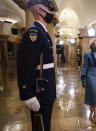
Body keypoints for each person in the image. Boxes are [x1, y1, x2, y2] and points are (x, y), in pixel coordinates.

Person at [17, 0, 56, 130]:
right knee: (41, 126)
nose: (52, 13)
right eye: (50, 9)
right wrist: (27, 94)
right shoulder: (35, 33)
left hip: (46, 90)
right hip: (41, 92)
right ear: (40, 10)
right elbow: (26, 65)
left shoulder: (43, 32)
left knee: (45, 125)